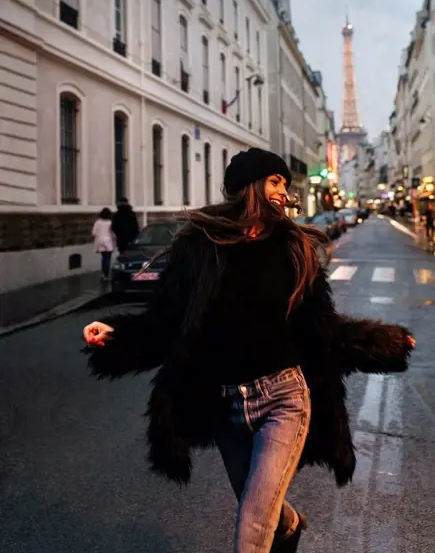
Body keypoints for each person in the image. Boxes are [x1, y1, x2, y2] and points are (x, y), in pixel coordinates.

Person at [82, 148, 415, 553]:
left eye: (284, 184)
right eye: (274, 182)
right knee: (257, 506)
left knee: (253, 526)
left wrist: (383, 341)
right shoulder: (200, 248)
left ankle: (277, 526)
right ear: (249, 187)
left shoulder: (293, 249)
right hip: (224, 406)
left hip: (285, 398)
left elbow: (321, 326)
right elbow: (167, 321)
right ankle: (289, 524)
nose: (282, 191)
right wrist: (114, 334)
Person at [91, 207, 115, 281]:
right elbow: (113, 233)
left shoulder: (98, 222)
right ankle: (106, 274)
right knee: (108, 259)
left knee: (104, 258)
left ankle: (103, 274)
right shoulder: (110, 223)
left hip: (100, 241)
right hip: (109, 242)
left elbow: (94, 232)